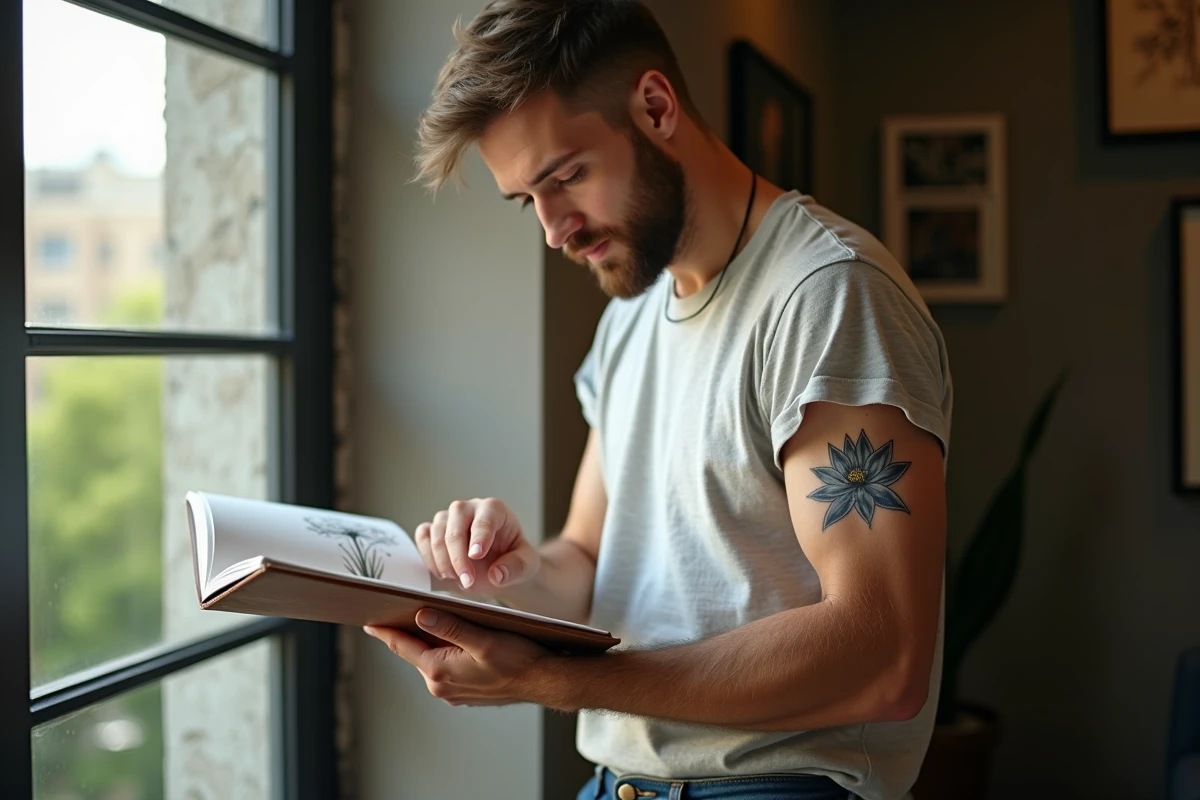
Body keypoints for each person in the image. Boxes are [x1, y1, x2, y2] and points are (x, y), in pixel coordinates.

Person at [362, 2, 953, 798]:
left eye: (566, 176)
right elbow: (590, 562)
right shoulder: (630, 321)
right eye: (524, 201)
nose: (553, 229)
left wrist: (557, 682)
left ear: (655, 107)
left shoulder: (827, 298)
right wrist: (509, 573)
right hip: (619, 782)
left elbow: (882, 657)